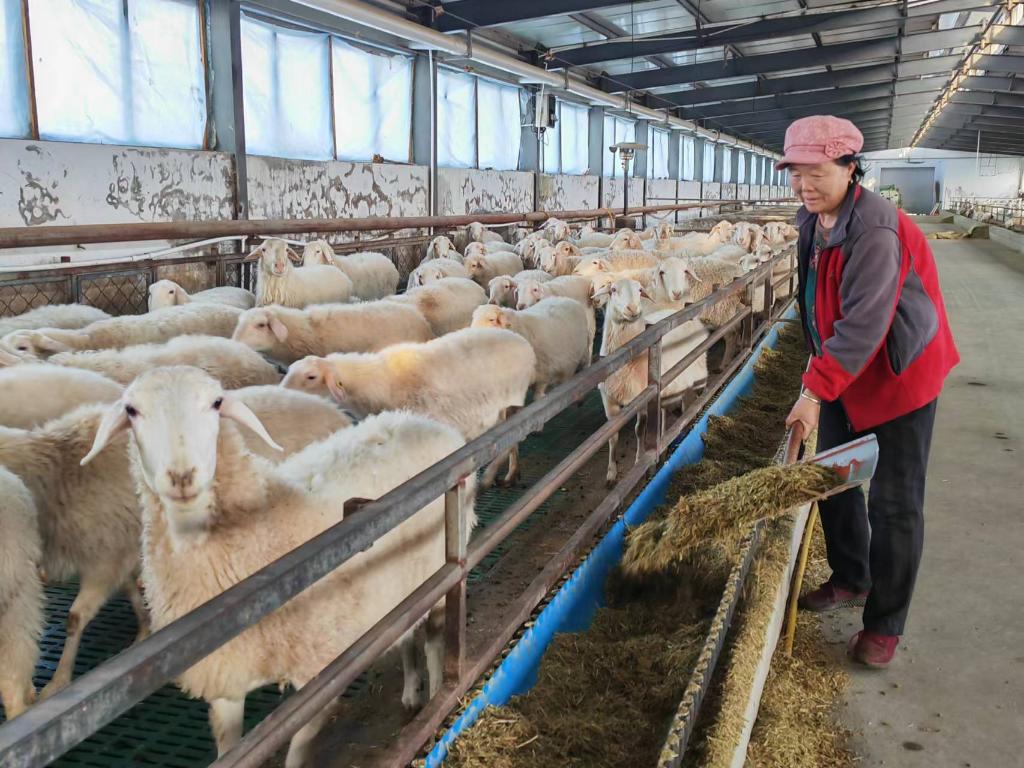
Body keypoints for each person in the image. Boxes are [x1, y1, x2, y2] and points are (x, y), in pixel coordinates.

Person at [778, 115, 960, 668]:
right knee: (833, 481)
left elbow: (864, 325)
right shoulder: (813, 223)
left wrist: (813, 391)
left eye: (817, 172)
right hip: (842, 375)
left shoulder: (876, 228)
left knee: (895, 502)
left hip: (900, 378)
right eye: (795, 173)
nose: (805, 185)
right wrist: (819, 374)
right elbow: (817, 305)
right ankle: (852, 576)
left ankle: (885, 624)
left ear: (850, 168)